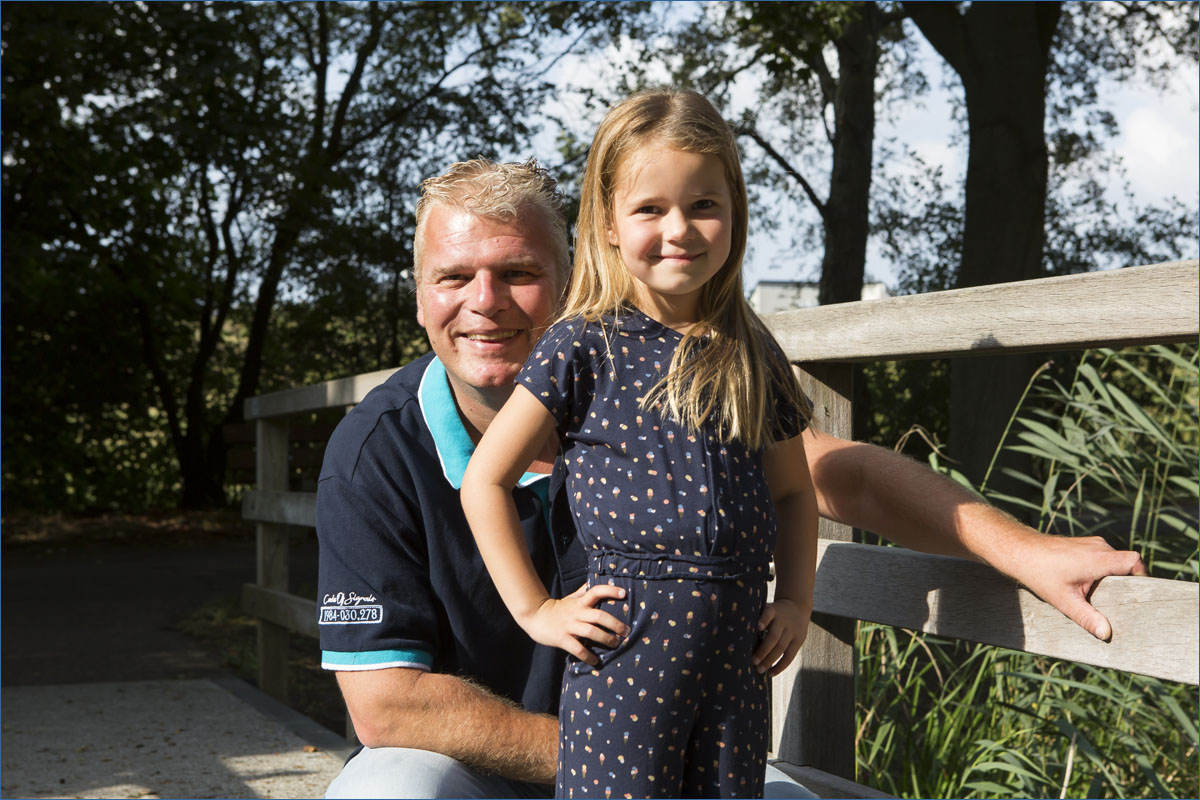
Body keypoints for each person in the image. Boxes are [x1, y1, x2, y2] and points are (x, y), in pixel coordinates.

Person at [316, 155, 1147, 799]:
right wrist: (625, 754)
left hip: (682, 755)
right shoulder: (375, 451)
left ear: (570, 282)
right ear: (419, 298)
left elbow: (840, 478)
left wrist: (1023, 550)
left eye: (518, 273)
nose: (485, 301)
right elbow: (387, 706)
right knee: (385, 789)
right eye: (453, 278)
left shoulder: (655, 383)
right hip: (497, 777)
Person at [461, 89, 817, 799]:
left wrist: (798, 600)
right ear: (610, 224)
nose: (679, 229)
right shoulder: (581, 346)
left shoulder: (753, 353)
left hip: (737, 662)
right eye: (650, 208)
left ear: (736, 210)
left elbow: (792, 491)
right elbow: (485, 482)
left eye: (703, 204)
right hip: (626, 654)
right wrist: (537, 610)